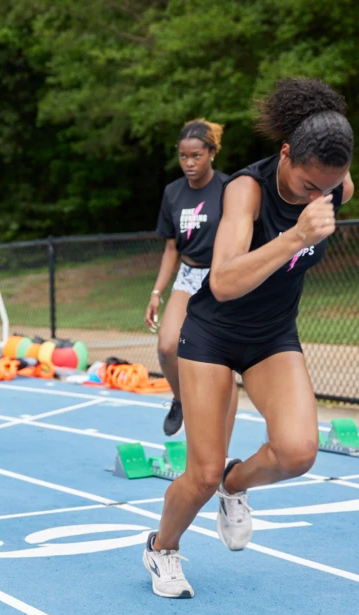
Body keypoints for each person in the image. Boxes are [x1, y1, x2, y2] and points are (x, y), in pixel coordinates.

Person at [143, 78, 355, 598]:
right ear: (285, 155)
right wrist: (296, 236)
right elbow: (223, 281)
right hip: (212, 335)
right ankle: (162, 547)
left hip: (272, 336)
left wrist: (324, 198)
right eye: (309, 186)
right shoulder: (246, 190)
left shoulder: (336, 186)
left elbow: (334, 182)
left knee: (298, 452)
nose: (319, 197)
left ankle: (234, 483)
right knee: (200, 473)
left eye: (329, 188)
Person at [145, 119, 238, 437]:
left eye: (196, 156)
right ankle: (180, 400)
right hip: (187, 274)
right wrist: (156, 292)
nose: (189, 163)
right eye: (183, 156)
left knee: (223, 360)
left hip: (220, 276)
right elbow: (171, 248)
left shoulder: (228, 188)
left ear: (211, 153)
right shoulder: (172, 193)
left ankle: (220, 441)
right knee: (168, 345)